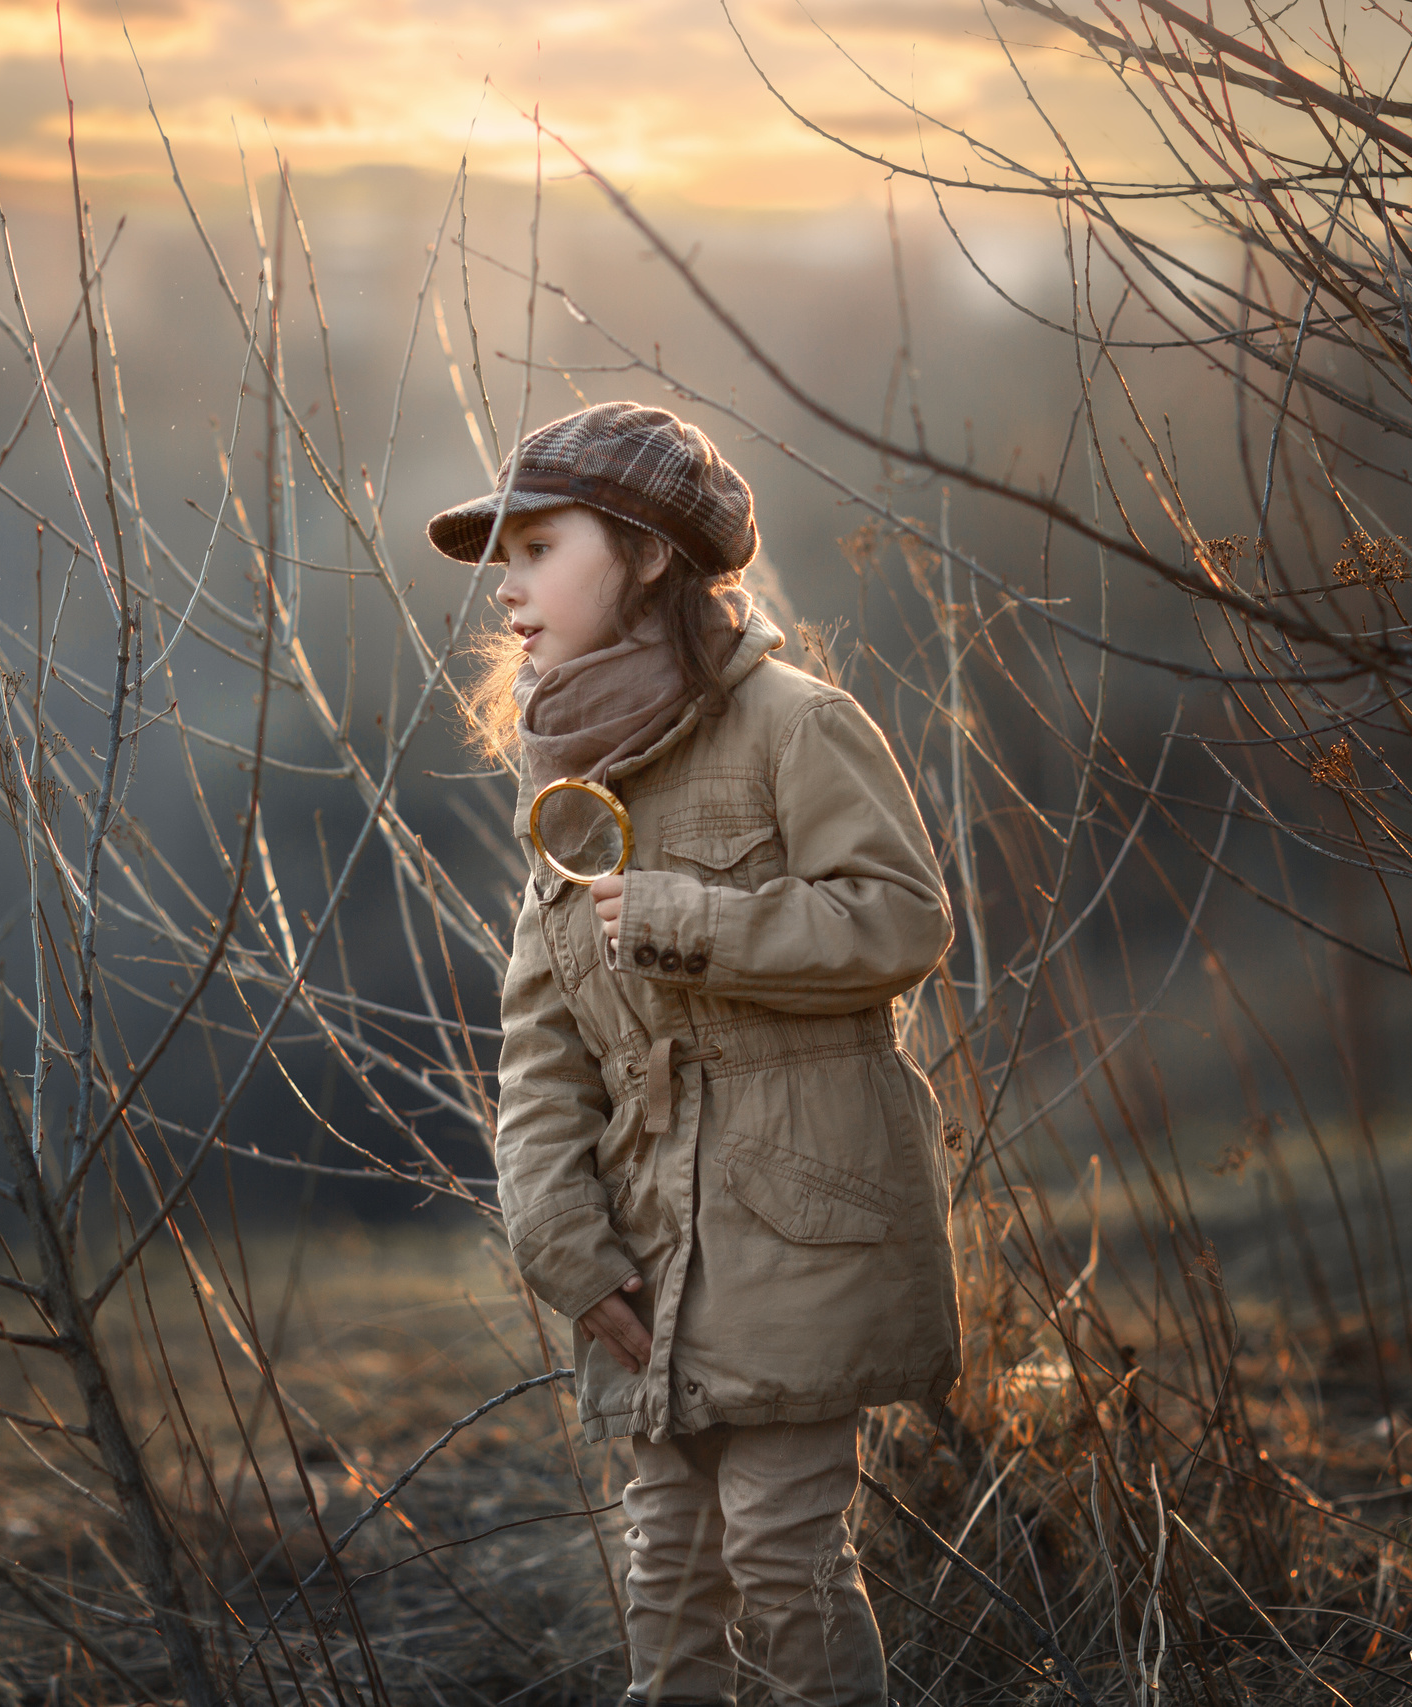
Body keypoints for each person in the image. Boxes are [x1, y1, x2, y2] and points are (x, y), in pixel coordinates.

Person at [428, 402, 960, 1707]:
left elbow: (901, 921)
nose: (508, 592)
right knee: (664, 1575)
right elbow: (540, 1047)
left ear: (649, 553)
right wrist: (560, 1239)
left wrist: (688, 922)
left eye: (537, 549)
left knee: (782, 1562)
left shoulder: (794, 723)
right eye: (504, 560)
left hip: (797, 1225)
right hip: (649, 1259)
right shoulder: (571, 778)